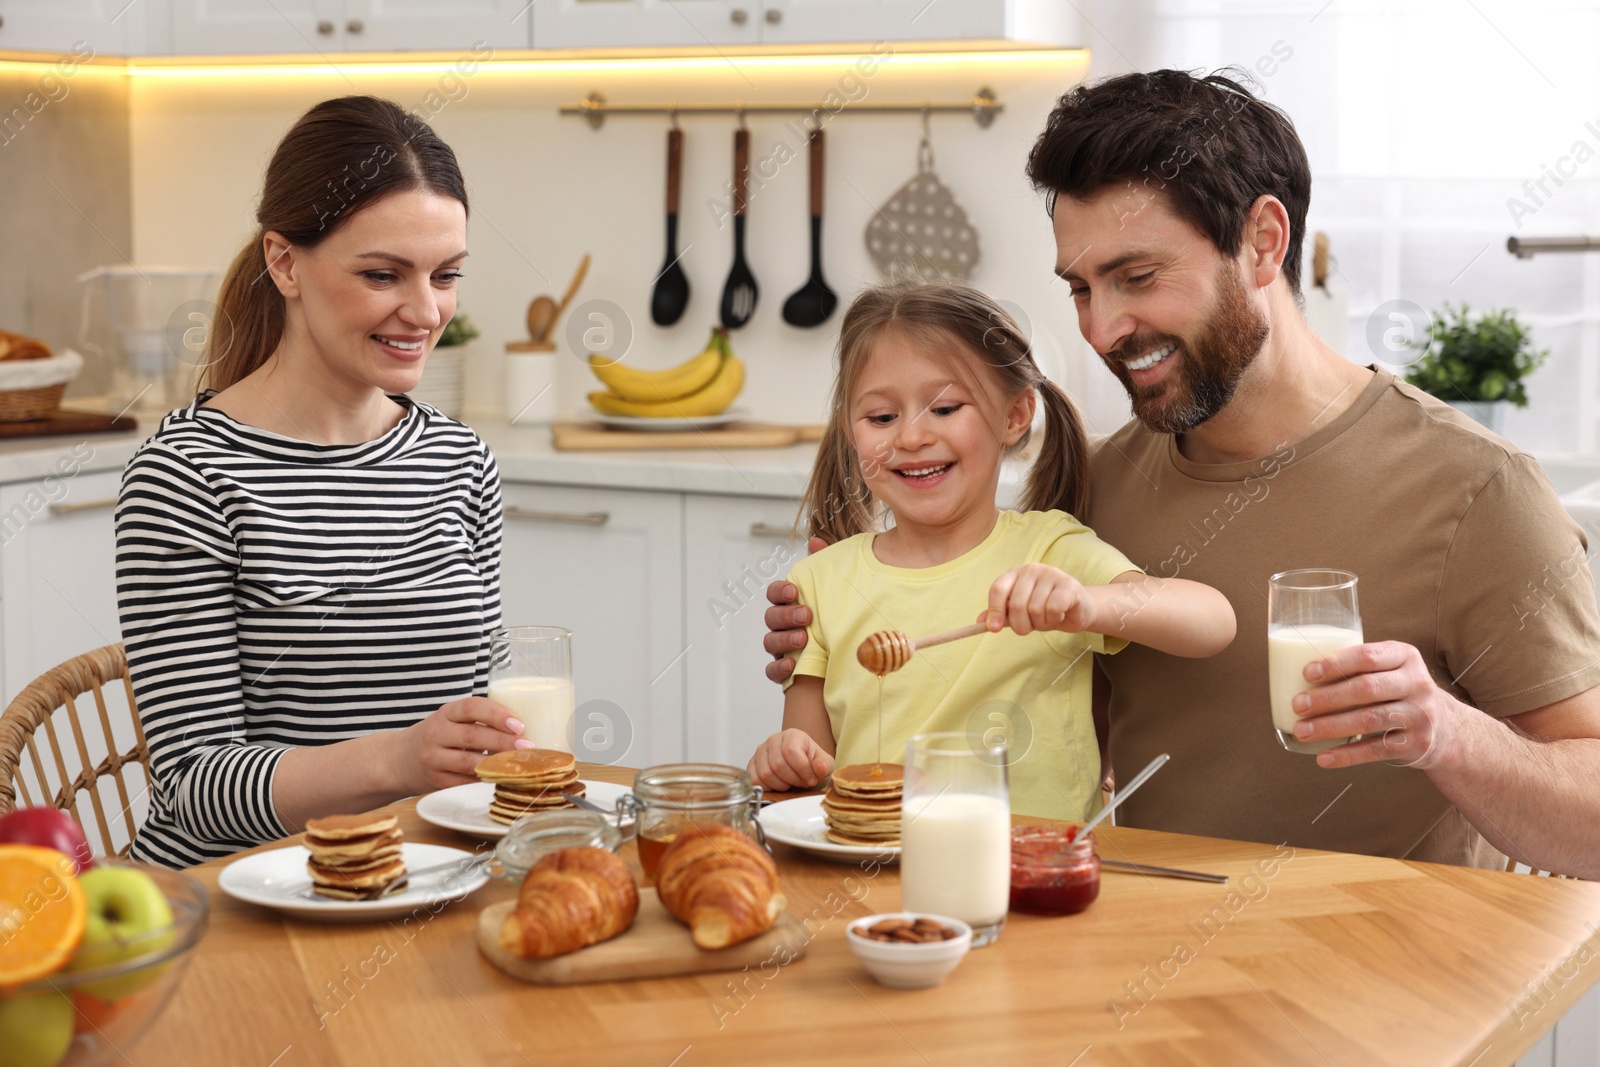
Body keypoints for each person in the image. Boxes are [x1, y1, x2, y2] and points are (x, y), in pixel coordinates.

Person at [765, 70, 1600, 878]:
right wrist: (846, 619)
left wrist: (1447, 736)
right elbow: (1034, 712)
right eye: (1081, 288)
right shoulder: (1094, 487)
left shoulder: (1476, 491)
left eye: (1137, 277)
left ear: (1263, 242)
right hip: (1145, 964)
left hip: (1389, 991)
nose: (1102, 327)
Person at [116, 96, 529, 868]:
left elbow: (472, 729)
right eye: (382, 274)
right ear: (284, 262)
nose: (424, 311)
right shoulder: (187, 475)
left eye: (446, 276)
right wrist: (399, 762)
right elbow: (193, 787)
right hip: (234, 901)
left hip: (408, 880)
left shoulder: (459, 463)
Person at [746, 280, 1235, 821]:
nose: (910, 437)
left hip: (1036, 869)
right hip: (881, 874)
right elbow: (812, 776)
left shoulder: (1051, 551)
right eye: (881, 418)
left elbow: (1212, 621)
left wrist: (1089, 606)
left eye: (945, 408)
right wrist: (786, 760)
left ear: (1014, 417)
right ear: (850, 431)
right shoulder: (819, 582)